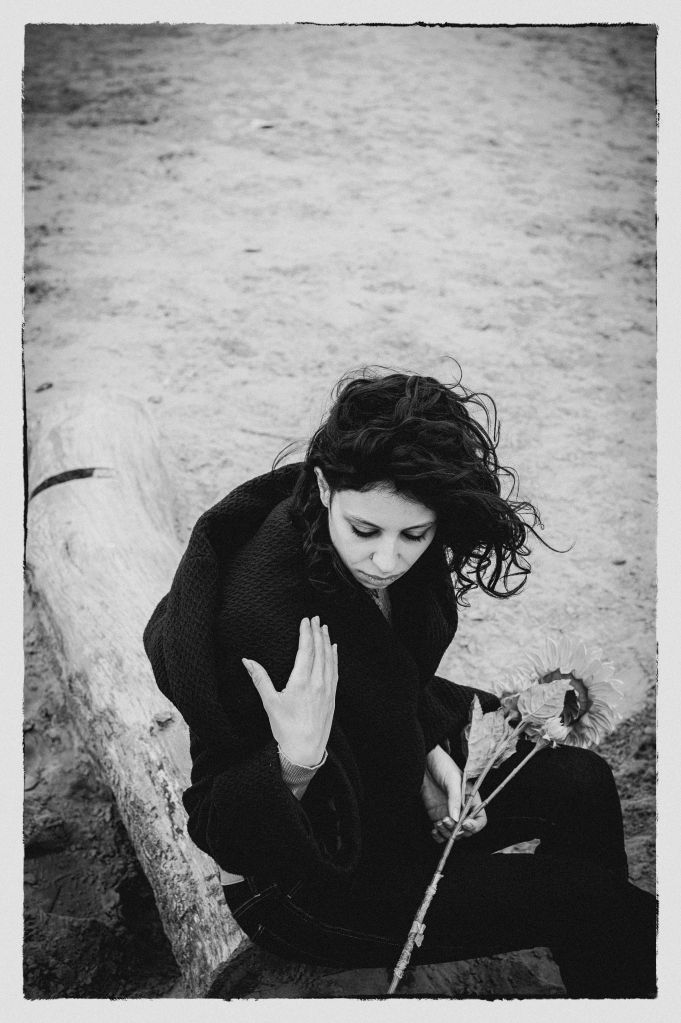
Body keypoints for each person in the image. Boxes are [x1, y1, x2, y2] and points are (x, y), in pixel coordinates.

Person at [144, 369, 656, 998]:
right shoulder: (259, 626)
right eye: (365, 531)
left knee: (582, 783)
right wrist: (295, 762)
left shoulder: (390, 551)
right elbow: (225, 833)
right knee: (594, 899)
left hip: (385, 801)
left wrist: (429, 753)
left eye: (415, 535)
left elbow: (391, 689)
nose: (387, 560)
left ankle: (597, 975)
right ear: (324, 487)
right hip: (305, 880)